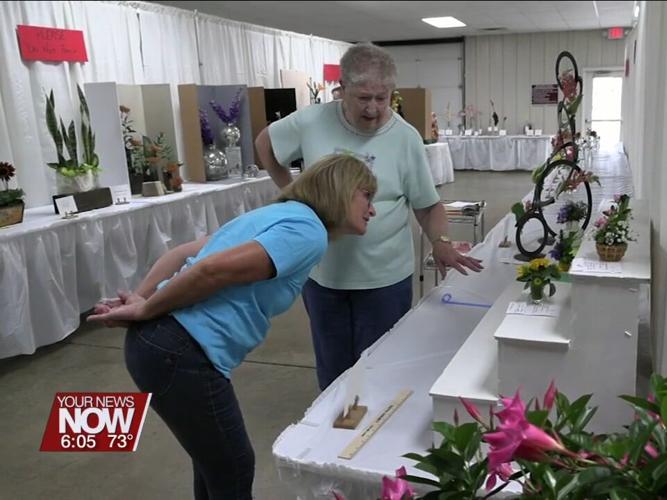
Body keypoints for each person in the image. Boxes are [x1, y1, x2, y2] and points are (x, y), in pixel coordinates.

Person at [87, 154, 377, 500]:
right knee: (233, 467)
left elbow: (183, 254)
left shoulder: (280, 214)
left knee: (213, 464)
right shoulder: (308, 231)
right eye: (367, 196)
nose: (372, 209)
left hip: (162, 346)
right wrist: (146, 307)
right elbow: (210, 271)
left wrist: (141, 298)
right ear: (342, 190)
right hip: (181, 351)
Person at [254, 42, 484, 390]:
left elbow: (427, 204)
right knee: (332, 372)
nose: (374, 108)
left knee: (381, 370)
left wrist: (441, 241)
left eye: (383, 97)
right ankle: (333, 436)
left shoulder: (404, 137)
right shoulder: (312, 120)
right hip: (324, 276)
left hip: (385, 280)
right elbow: (264, 144)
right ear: (341, 90)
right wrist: (292, 195)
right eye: (363, 98)